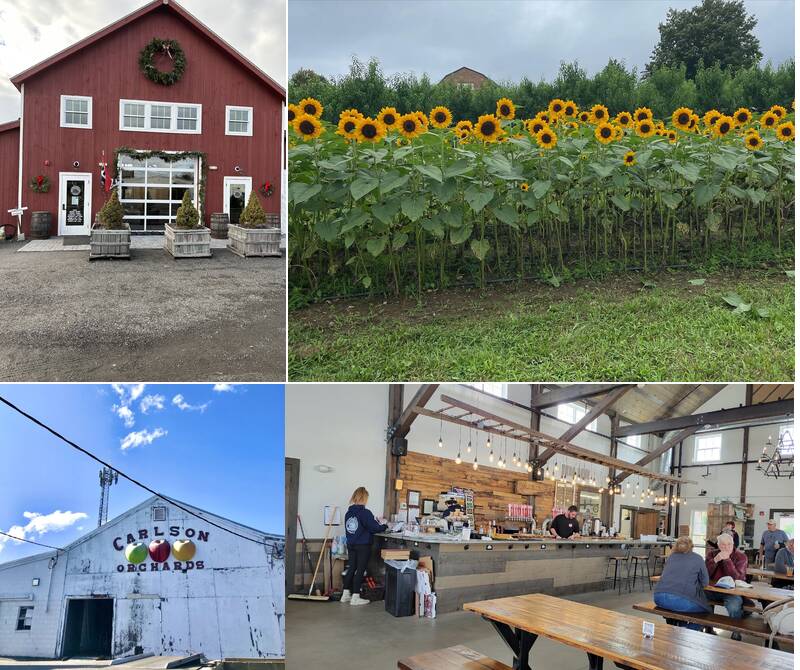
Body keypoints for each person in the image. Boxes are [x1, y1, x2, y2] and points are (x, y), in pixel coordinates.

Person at [341, 487, 388, 607]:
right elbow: (374, 528)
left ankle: (345, 594)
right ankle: (355, 597)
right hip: (363, 545)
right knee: (360, 570)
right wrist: (385, 526)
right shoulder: (365, 513)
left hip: (351, 544)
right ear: (365, 498)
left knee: (352, 568)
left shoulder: (348, 513)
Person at [653, 536, 710, 630]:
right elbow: (705, 583)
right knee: (706, 611)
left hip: (658, 598)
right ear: (692, 546)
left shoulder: (671, 557)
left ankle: (678, 627)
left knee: (680, 608)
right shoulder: (698, 558)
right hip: (680, 600)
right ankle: (687, 630)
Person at [705, 532, 748, 640]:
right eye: (723, 544)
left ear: (733, 544)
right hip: (712, 589)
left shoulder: (741, 557)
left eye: (729, 544)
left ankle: (736, 631)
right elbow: (705, 574)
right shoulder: (712, 554)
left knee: (734, 606)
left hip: (732, 592)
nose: (726, 547)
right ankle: (708, 627)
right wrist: (715, 560)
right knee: (699, 599)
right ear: (718, 545)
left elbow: (737, 578)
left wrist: (727, 560)